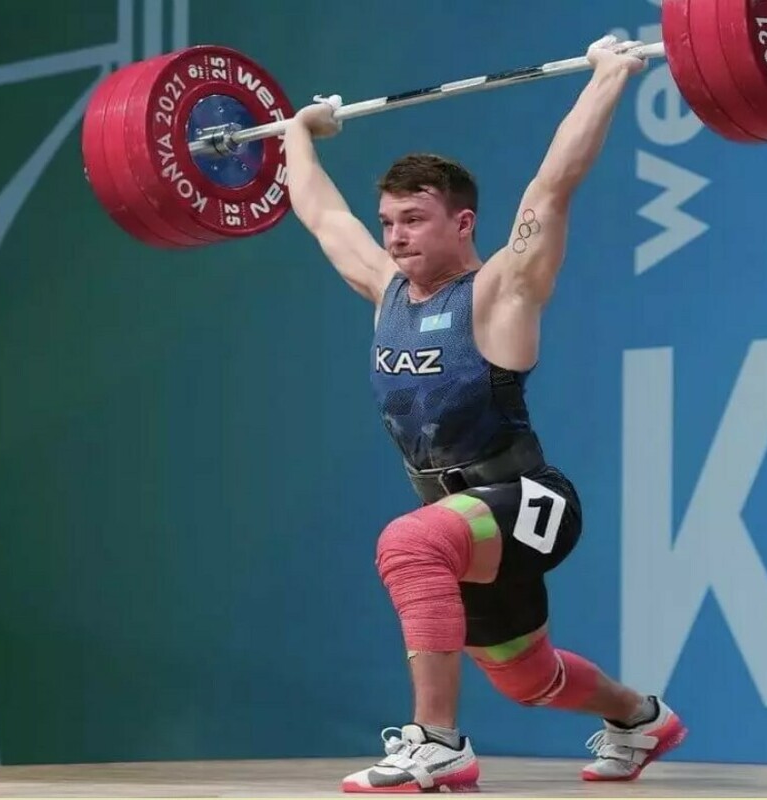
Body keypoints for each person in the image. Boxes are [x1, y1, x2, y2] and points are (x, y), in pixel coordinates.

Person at [282, 34, 687, 793]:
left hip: (530, 500)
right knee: (526, 677)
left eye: (414, 219)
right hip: (460, 524)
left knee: (408, 545)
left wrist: (610, 74)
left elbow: (552, 187)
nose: (395, 236)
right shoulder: (386, 291)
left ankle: (437, 744)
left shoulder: (502, 291)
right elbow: (321, 214)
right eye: (389, 221)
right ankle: (640, 719)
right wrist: (297, 133)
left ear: (463, 223)